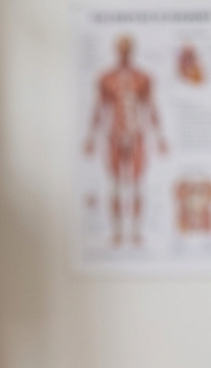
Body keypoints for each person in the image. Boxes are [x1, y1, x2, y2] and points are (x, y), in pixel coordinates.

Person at [84, 35, 168, 246]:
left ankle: (136, 232)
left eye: (127, 48)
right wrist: (91, 138)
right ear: (115, 50)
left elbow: (151, 107)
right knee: (114, 185)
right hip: (114, 135)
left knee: (137, 184)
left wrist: (160, 138)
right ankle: (117, 233)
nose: (123, 52)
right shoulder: (106, 78)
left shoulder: (143, 78)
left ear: (132, 50)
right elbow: (99, 108)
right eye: (120, 48)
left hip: (137, 135)